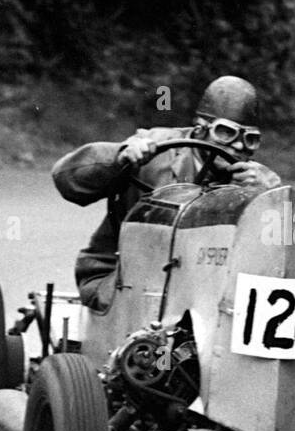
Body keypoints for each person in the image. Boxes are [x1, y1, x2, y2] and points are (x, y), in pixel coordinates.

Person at [52, 76, 282, 309]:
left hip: (207, 289)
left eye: (250, 139)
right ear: (201, 129)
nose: (239, 146)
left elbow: (278, 254)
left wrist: (268, 196)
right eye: (226, 133)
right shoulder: (154, 145)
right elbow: (67, 180)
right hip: (123, 275)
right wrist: (119, 158)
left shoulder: (257, 180)